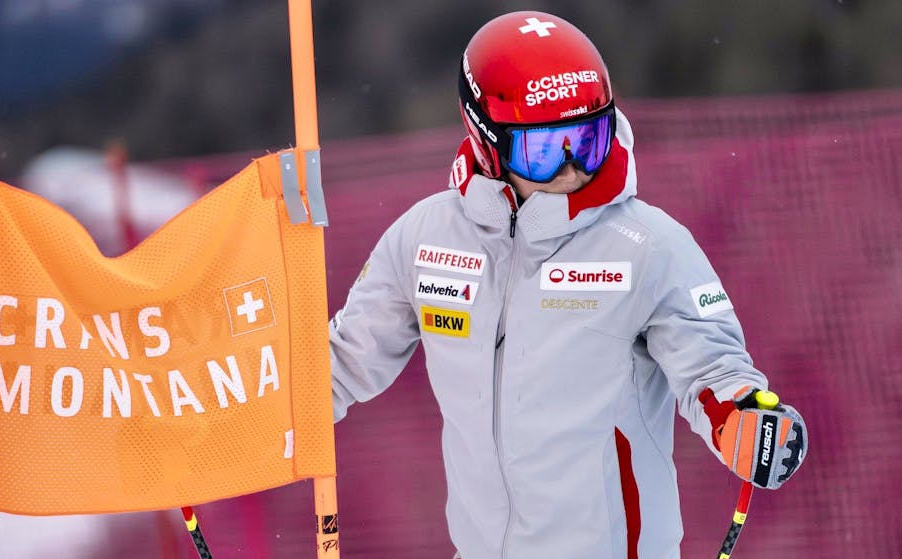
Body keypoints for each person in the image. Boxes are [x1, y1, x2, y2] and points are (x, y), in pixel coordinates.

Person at [328, 10, 807, 559]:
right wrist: (240, 422)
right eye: (544, 148)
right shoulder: (427, 239)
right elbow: (341, 364)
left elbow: (713, 367)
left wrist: (742, 419)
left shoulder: (646, 244)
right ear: (486, 141)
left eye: (587, 137)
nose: (571, 166)